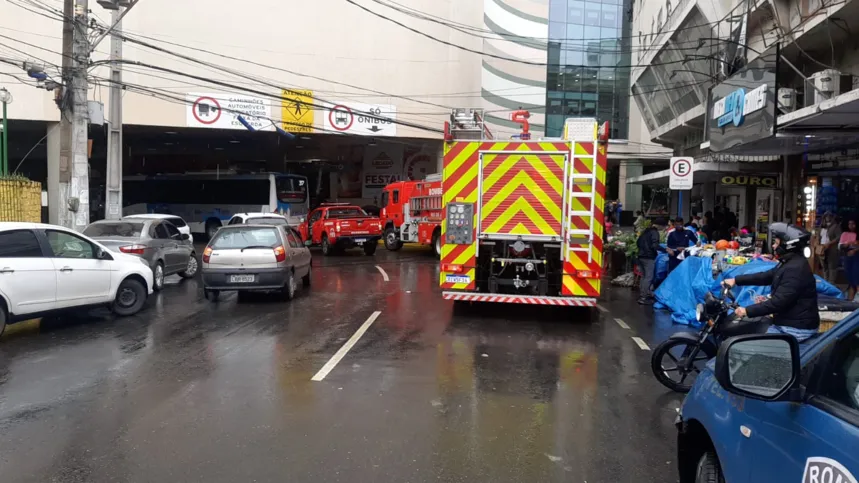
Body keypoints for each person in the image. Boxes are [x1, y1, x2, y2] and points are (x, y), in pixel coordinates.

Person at [724, 223, 819, 342]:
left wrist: (747, 310)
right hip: (788, 321)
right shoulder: (789, 263)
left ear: (787, 245)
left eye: (776, 243)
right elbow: (766, 276)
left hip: (794, 328)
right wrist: (736, 280)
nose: (773, 246)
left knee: (755, 349)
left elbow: (778, 302)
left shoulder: (795, 269)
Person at [636, 217, 666, 305]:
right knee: (649, 277)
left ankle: (642, 294)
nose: (663, 229)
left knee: (644, 276)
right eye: (663, 226)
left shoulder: (646, 231)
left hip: (641, 256)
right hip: (648, 257)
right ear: (660, 226)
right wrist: (665, 250)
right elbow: (655, 246)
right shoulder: (655, 233)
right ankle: (643, 297)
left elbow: (638, 242)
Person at [819, 212, 842, 285]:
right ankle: (826, 282)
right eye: (826, 216)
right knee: (824, 267)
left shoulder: (835, 226)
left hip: (832, 249)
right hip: (822, 249)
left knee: (832, 267)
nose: (828, 218)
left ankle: (831, 283)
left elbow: (839, 237)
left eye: (829, 216)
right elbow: (819, 237)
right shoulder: (822, 227)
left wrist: (830, 243)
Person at [839, 219, 859, 301]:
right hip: (848, 257)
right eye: (849, 224)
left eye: (853, 224)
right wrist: (846, 245)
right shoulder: (845, 234)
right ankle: (850, 300)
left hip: (857, 257)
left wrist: (855, 250)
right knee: (850, 279)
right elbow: (840, 246)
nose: (851, 226)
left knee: (856, 277)